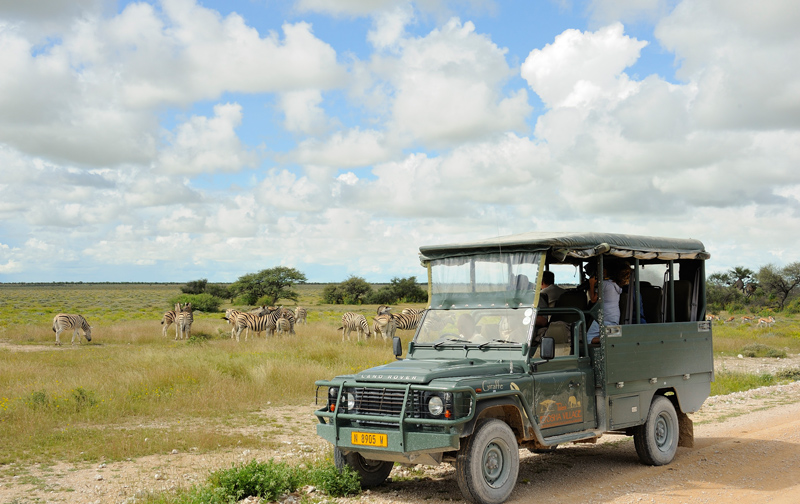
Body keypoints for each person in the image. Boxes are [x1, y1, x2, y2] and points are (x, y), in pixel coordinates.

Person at [586, 261, 622, 345]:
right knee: (611, 331)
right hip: (614, 316)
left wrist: (591, 284)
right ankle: (613, 336)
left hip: (605, 317)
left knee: (588, 338)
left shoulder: (604, 284)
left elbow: (593, 300)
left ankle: (610, 338)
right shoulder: (616, 284)